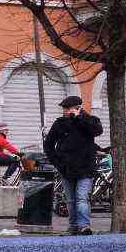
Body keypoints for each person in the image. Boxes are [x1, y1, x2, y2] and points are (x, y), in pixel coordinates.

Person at [44, 95, 104, 235]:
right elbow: (49, 144)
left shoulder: (90, 120)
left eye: (66, 108)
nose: (64, 111)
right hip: (66, 168)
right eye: (63, 108)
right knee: (71, 200)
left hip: (85, 168)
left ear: (77, 108)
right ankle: (73, 226)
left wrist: (80, 118)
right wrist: (56, 162)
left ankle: (84, 226)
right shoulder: (60, 123)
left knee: (81, 198)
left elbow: (97, 131)